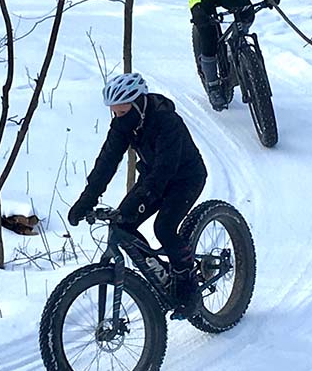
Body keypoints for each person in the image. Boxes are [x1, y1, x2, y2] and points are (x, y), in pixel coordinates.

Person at [67, 72, 208, 319]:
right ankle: (163, 277)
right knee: (123, 223)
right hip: (154, 177)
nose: (118, 118)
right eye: (114, 113)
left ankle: (189, 289)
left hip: (186, 178)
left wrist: (145, 195)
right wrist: (87, 199)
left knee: (164, 227)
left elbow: (166, 168)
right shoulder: (124, 125)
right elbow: (107, 162)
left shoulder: (167, 121)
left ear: (138, 103)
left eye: (122, 112)